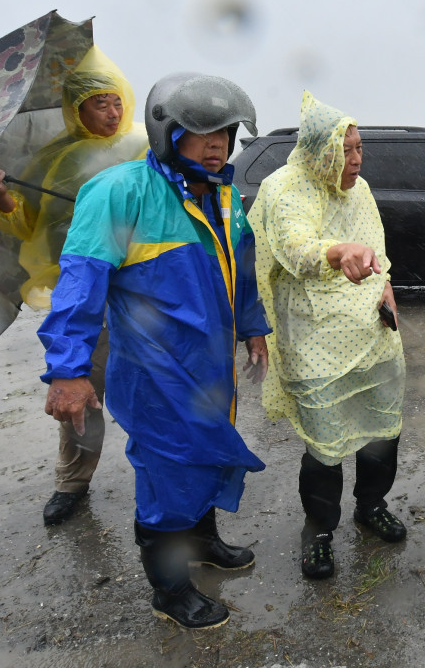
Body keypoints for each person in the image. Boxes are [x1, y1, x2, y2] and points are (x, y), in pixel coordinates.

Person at [37, 73, 270, 630]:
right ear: (167, 131)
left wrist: (251, 326)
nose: (218, 143)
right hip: (155, 371)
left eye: (227, 132)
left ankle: (201, 538)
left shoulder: (225, 195)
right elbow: (80, 283)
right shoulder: (121, 192)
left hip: (212, 366)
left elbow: (241, 273)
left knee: (211, 451)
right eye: (202, 131)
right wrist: (67, 370)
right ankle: (168, 588)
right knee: (168, 470)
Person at [247, 91, 406, 581]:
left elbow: (377, 249)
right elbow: (296, 248)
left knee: (382, 429)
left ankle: (371, 504)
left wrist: (387, 289)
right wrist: (339, 252)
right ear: (320, 152)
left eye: (359, 149)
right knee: (325, 441)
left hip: (370, 333)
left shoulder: (361, 190)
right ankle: (318, 530)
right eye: (346, 150)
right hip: (314, 339)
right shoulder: (284, 189)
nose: (355, 160)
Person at [0, 47, 148, 526]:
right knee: (84, 388)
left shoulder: (146, 148)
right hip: (86, 294)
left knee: (158, 387)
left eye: (116, 100)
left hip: (144, 291)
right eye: (99, 103)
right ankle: (72, 482)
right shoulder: (54, 163)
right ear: (75, 109)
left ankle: (165, 478)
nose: (112, 112)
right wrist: (5, 200)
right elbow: (32, 228)